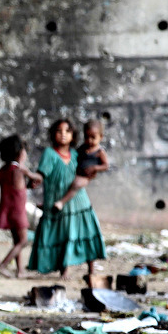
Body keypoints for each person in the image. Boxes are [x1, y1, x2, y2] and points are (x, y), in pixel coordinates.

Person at [27, 118, 107, 279]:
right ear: (53, 134)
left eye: (67, 131)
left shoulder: (77, 154)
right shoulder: (49, 154)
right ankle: (64, 270)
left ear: (73, 135)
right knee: (62, 235)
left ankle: (91, 270)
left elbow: (91, 170)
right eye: (59, 131)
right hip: (57, 201)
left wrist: (91, 175)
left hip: (79, 201)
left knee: (87, 232)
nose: (63, 135)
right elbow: (42, 174)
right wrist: (31, 178)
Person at [0, 134, 42, 278]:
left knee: (17, 240)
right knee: (23, 240)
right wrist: (37, 177)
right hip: (17, 211)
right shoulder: (20, 170)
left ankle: (20, 271)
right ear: (20, 153)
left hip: (6, 209)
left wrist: (27, 185)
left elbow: (15, 188)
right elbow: (37, 178)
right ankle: (2, 266)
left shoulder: (3, 170)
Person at [53, 119, 109, 212]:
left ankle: (61, 202)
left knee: (76, 184)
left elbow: (106, 165)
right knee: (63, 182)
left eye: (93, 137)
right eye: (86, 137)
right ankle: (51, 202)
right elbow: (74, 155)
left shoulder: (100, 152)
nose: (89, 140)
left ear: (101, 137)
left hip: (86, 177)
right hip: (76, 173)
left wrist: (95, 168)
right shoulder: (83, 148)